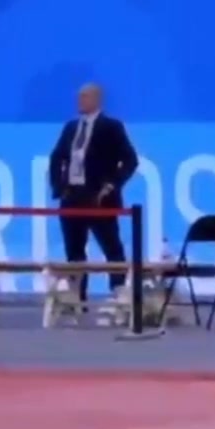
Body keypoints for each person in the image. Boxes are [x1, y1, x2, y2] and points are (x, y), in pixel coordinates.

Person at [47, 83, 139, 300]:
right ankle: (77, 297)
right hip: (72, 198)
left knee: (112, 248)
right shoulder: (71, 127)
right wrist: (59, 187)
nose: (80, 100)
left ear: (97, 99)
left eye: (85, 96)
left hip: (99, 199)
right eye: (79, 96)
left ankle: (118, 293)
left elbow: (130, 159)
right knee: (74, 251)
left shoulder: (111, 127)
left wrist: (112, 185)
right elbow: (56, 157)